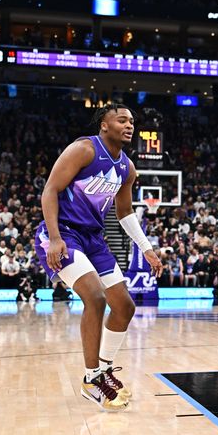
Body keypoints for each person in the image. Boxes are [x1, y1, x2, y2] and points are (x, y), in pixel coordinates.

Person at [34, 103, 162, 412]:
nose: (129, 125)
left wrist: (146, 248)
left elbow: (125, 212)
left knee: (125, 307)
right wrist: (54, 238)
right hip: (63, 233)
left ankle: (103, 369)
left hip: (92, 238)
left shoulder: (127, 168)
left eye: (132, 120)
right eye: (121, 120)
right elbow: (50, 190)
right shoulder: (84, 149)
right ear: (104, 125)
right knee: (94, 297)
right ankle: (92, 379)